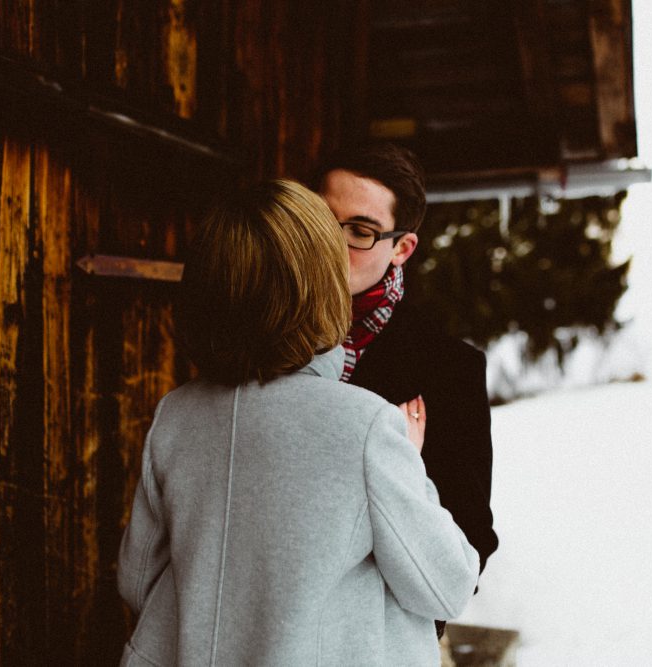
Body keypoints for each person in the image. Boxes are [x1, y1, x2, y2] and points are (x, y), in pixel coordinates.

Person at [116, 180, 479, 666]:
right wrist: (411, 465)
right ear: (322, 285)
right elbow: (448, 584)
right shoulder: (365, 426)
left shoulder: (176, 415)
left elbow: (136, 580)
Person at [315, 144, 499, 621]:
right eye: (319, 219)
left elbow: (469, 547)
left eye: (360, 231)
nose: (331, 245)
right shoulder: (258, 344)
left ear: (401, 248)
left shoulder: (446, 370)